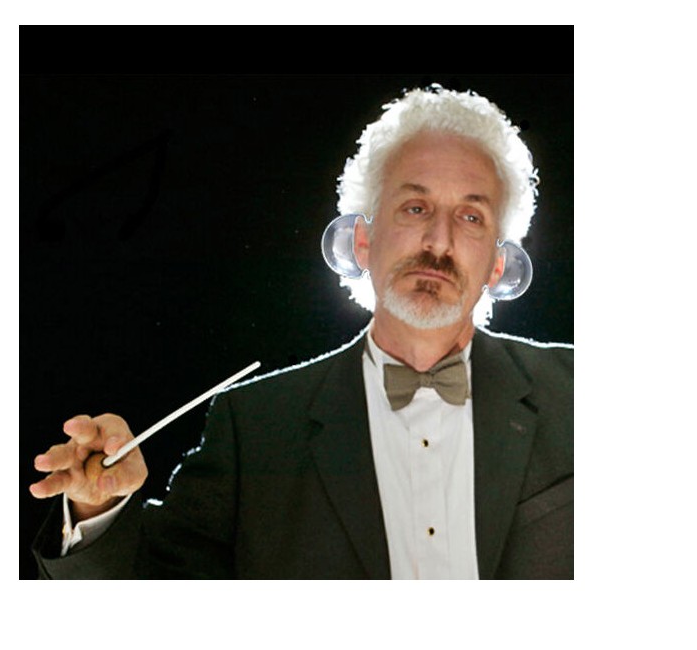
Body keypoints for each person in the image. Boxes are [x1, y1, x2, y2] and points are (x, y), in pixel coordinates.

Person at [29, 85, 573, 579]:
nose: (438, 240)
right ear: (362, 242)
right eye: (415, 207)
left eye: (471, 217)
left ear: (498, 264)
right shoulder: (253, 428)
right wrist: (99, 508)